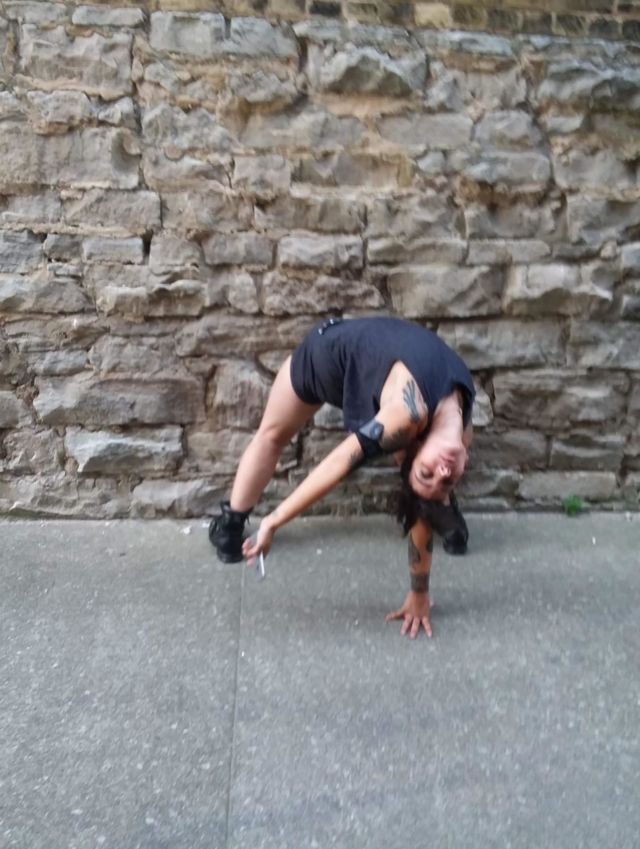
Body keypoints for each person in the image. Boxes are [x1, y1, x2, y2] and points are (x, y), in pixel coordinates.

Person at [209, 316, 475, 638]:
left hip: (378, 372)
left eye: (433, 477)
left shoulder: (427, 428)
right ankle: (232, 525)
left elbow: (417, 503)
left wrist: (419, 594)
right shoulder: (431, 425)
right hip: (329, 356)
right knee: (273, 434)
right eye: (442, 478)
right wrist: (273, 521)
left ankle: (229, 528)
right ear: (413, 445)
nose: (444, 471)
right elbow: (339, 464)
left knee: (423, 497)